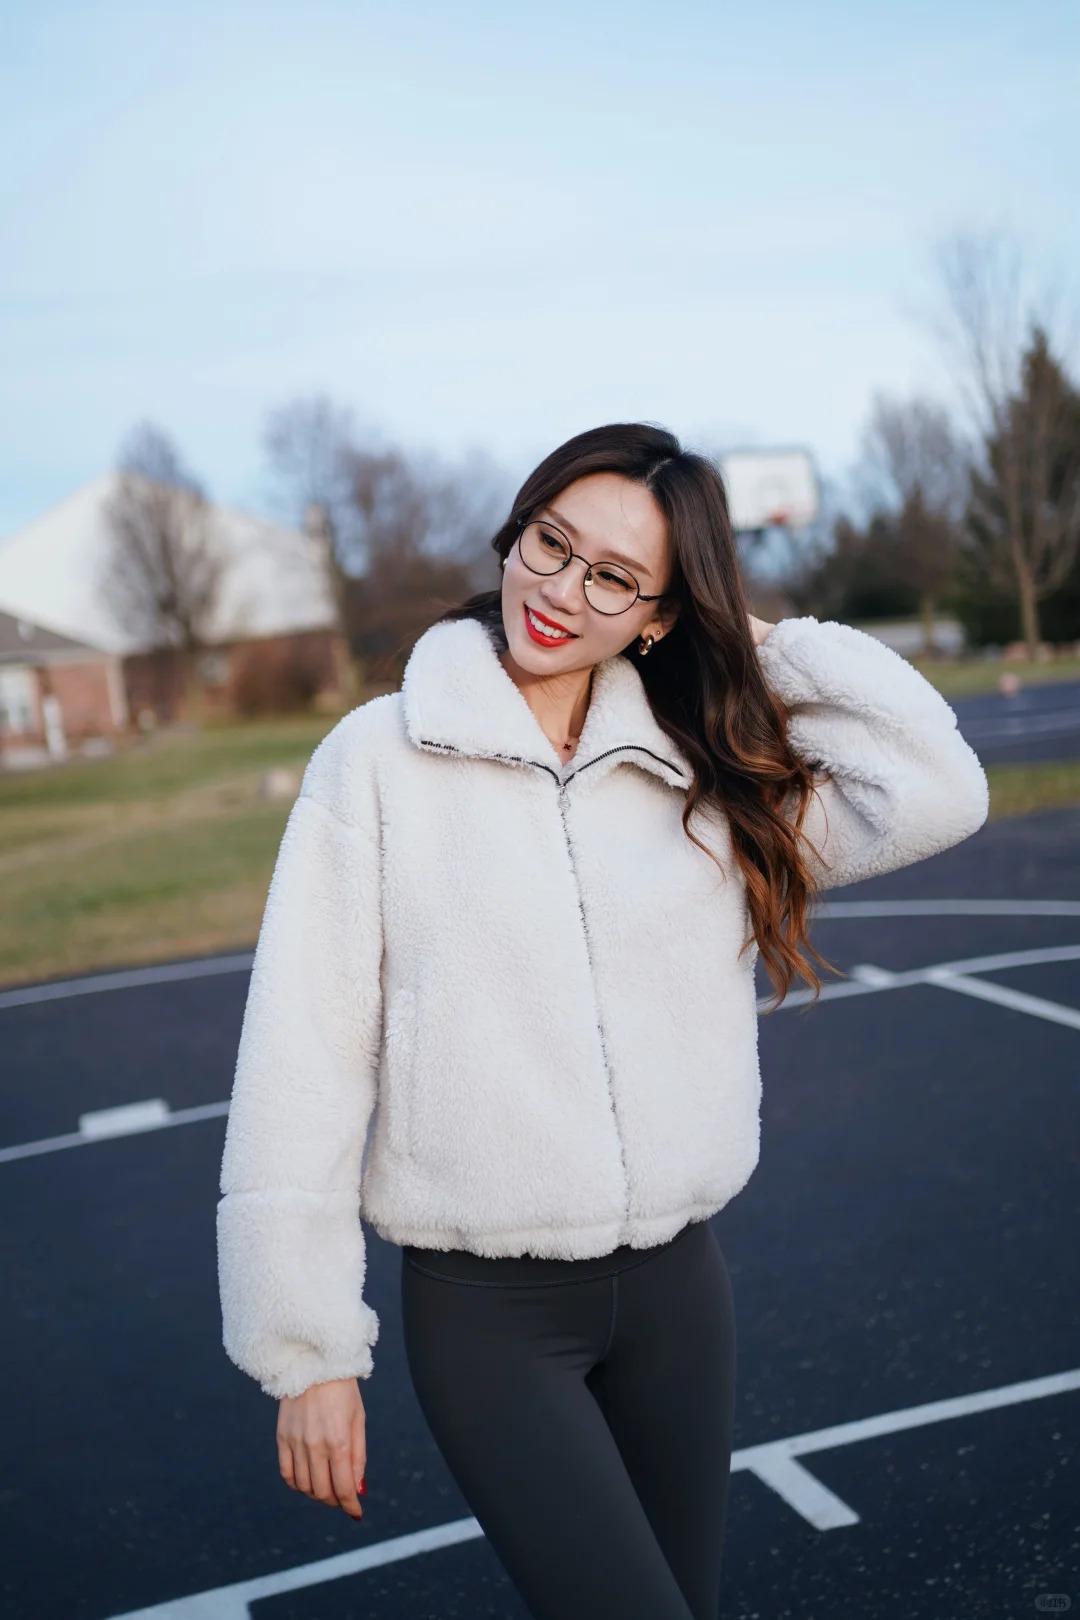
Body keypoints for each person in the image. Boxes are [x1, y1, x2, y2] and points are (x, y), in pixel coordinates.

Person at [216, 421, 989, 1619]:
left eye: (616, 577)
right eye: (551, 543)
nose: (562, 590)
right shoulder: (376, 760)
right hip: (491, 1315)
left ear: (663, 615)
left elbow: (936, 790)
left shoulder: (696, 768)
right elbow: (303, 1055)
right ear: (515, 532)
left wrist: (753, 640)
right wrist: (305, 1347)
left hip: (680, 1296)